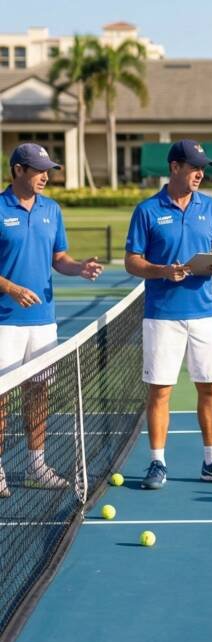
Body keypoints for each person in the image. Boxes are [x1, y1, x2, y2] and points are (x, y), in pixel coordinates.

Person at [124, 140, 212, 490]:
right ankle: (157, 463)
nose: (200, 173)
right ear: (175, 167)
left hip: (205, 314)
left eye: (203, 167)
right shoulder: (147, 210)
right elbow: (132, 261)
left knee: (210, 387)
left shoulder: (211, 208)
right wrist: (163, 271)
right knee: (160, 391)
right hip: (162, 316)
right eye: (194, 167)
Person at [0, 143, 103, 497]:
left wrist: (79, 268)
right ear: (17, 171)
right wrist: (11, 288)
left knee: (39, 391)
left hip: (43, 321)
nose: (45, 176)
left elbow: (59, 258)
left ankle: (36, 465)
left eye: (48, 170)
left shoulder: (52, 210)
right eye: (38, 169)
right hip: (4, 322)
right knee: (2, 397)